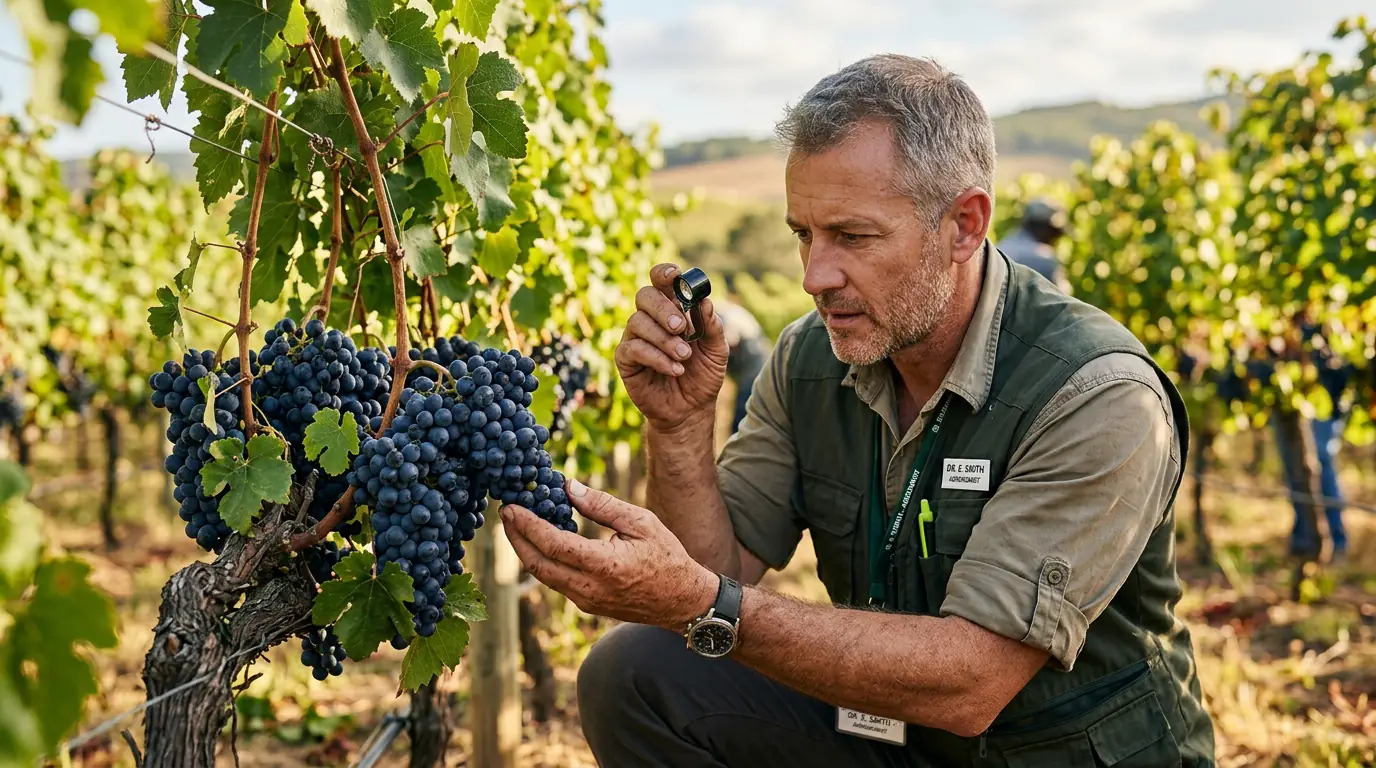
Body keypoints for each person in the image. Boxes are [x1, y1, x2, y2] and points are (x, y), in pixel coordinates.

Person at [497, 54, 1215, 766]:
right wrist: (679, 427)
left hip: (1051, 754)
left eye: (853, 237)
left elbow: (971, 684)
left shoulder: (1098, 393)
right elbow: (711, 573)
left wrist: (708, 606)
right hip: (899, 736)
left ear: (965, 225)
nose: (814, 276)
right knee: (637, 673)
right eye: (804, 235)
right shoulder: (812, 358)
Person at [712, 283, 770, 434]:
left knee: (742, 415)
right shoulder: (729, 311)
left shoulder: (721, 315)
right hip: (757, 365)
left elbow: (730, 342)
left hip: (753, 370)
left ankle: (738, 451)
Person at [998, 198, 1070, 290]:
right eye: (1055, 233)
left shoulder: (1001, 247)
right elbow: (1060, 301)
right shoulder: (1044, 260)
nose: (1055, 240)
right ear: (1045, 229)